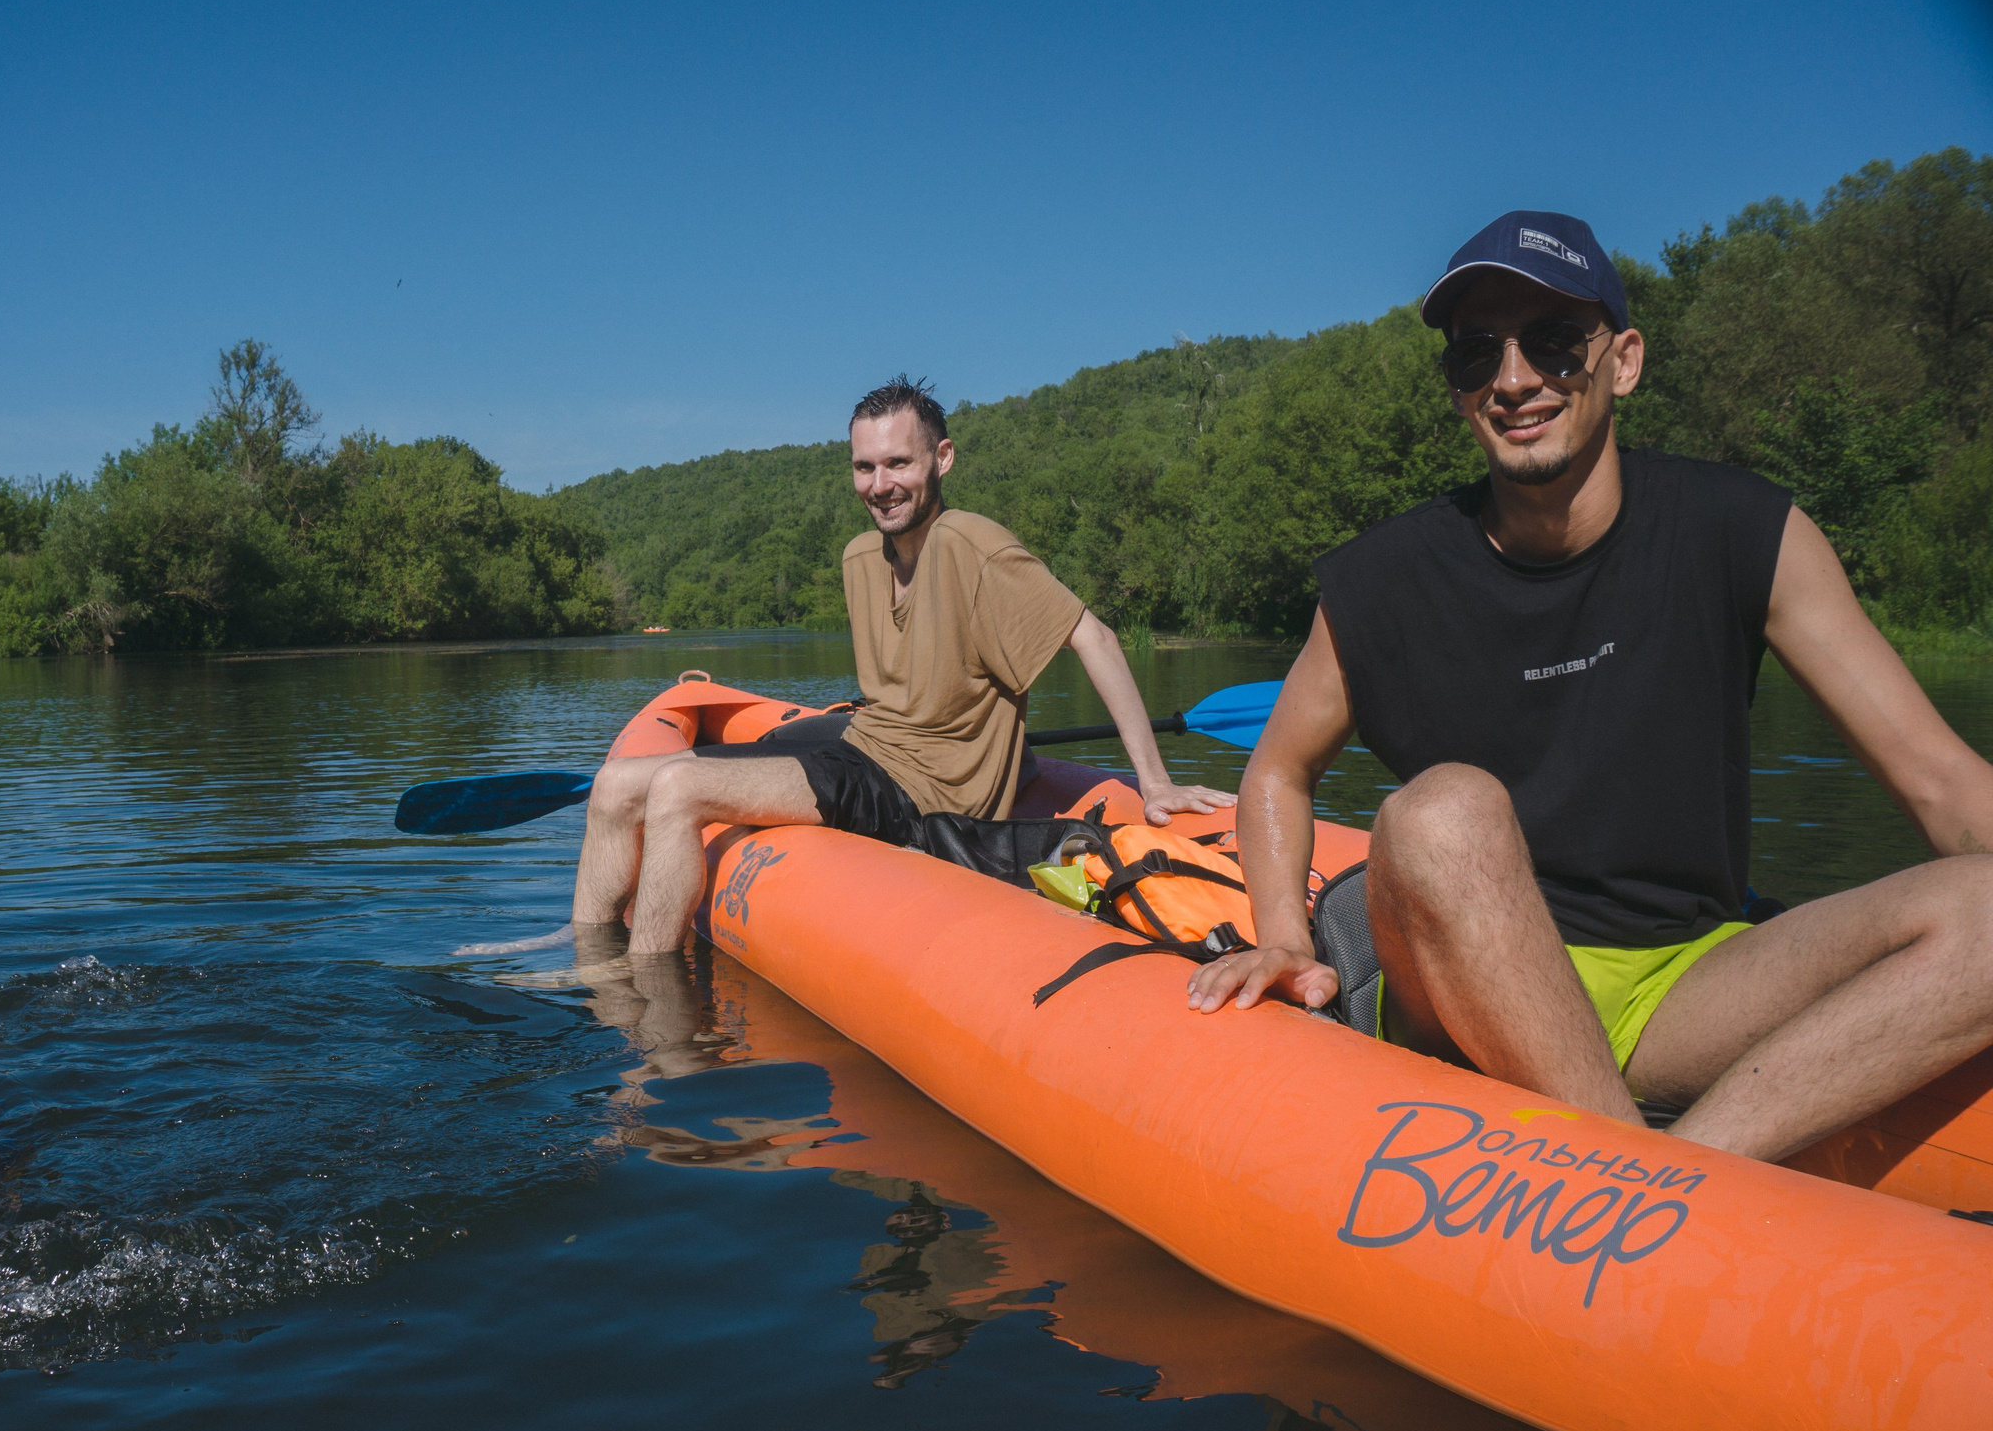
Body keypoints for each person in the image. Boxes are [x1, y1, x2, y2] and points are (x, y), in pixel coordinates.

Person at [1186, 209, 1993, 1164]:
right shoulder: (1380, 579)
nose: (1516, 378)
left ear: (1625, 360)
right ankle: (1633, 1171)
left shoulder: (1746, 531)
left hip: (1688, 982)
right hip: (1461, 979)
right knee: (1443, 811)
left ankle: (1683, 1172)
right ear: (1457, 389)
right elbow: (1278, 769)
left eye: (1558, 341)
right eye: (1477, 352)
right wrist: (1283, 933)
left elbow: (1941, 782)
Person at [573, 376, 1230, 953]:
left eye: (897, 463)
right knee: (614, 786)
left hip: (922, 797)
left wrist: (1155, 782)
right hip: (865, 756)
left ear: (941, 457)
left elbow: (1098, 638)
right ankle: (587, 956)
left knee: (677, 790)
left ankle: (645, 1004)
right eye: (864, 467)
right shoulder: (862, 556)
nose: (880, 485)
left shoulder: (971, 545)